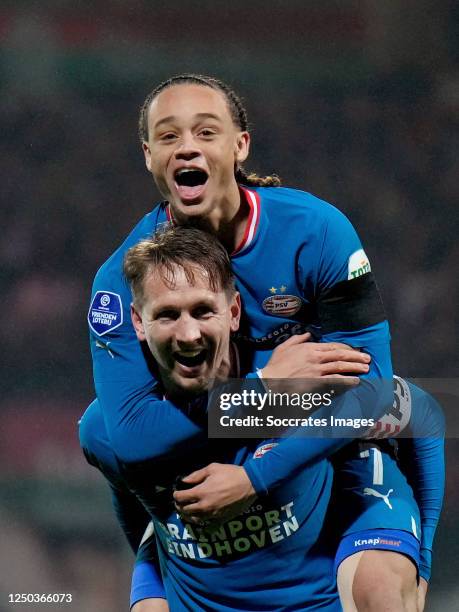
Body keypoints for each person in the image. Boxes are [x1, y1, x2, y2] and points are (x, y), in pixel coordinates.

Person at [83, 74, 440, 609]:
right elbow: (129, 439)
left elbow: (377, 393)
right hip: (238, 430)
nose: (187, 147)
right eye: (168, 136)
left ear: (240, 144)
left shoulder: (315, 233)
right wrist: (266, 387)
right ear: (149, 156)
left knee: (379, 591)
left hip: (326, 442)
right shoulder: (121, 280)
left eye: (206, 132)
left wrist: (255, 477)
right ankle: (164, 552)